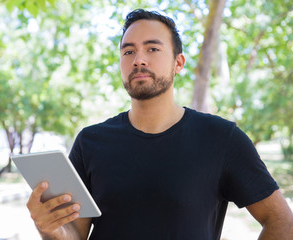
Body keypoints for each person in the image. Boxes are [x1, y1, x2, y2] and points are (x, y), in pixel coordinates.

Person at [26, 9, 293, 240]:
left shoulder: (222, 138)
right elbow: (74, 234)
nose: (138, 59)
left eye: (152, 49)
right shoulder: (90, 142)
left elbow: (282, 222)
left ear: (178, 63)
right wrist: (50, 229)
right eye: (128, 51)